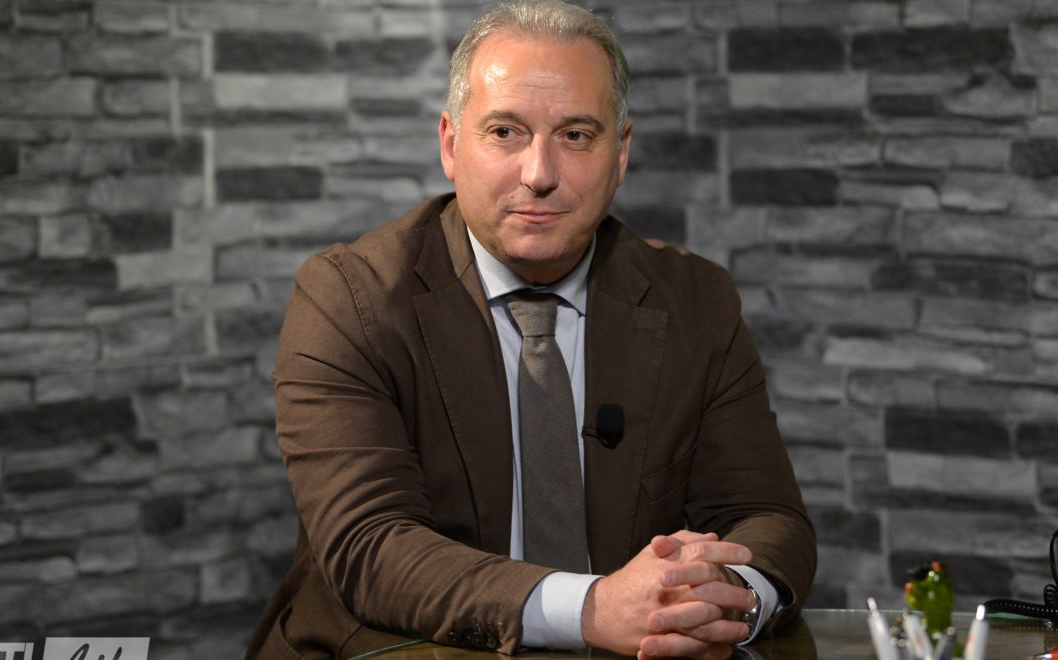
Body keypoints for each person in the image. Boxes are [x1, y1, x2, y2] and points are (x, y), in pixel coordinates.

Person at [245, 1, 816, 658]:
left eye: (576, 135)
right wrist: (593, 607)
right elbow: (369, 547)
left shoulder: (696, 302)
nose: (539, 174)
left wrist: (719, 594)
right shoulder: (348, 298)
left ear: (620, 153)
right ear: (450, 144)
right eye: (505, 132)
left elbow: (768, 518)